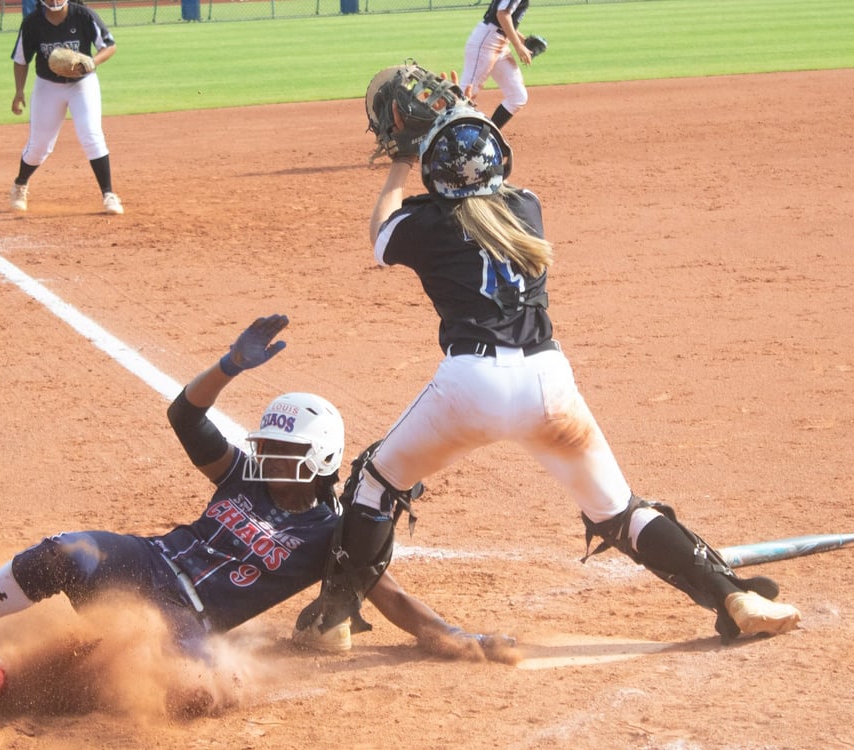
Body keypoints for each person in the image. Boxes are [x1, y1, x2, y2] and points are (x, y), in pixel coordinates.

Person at [296, 106, 804, 646]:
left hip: (471, 385)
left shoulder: (424, 224)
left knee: (376, 482)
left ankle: (333, 620)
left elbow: (381, 232)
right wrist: (464, 116)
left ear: (433, 174)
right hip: (549, 383)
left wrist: (402, 158)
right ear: (501, 163)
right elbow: (480, 182)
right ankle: (732, 595)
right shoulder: (527, 207)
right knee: (620, 511)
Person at [0, 315, 513, 706]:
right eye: (266, 445)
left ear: (321, 460)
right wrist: (229, 366)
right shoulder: (241, 475)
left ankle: (11, 678)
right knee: (63, 550)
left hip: (189, 618)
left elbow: (395, 600)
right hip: (145, 559)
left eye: (284, 452)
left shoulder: (331, 536)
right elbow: (185, 415)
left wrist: (463, 638)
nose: (266, 457)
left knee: (191, 687)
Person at [8, 0, 122, 215]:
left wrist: (93, 61)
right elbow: (21, 60)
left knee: (91, 135)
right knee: (40, 146)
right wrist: (19, 91)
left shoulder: (84, 15)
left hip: (82, 84)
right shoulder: (32, 23)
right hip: (48, 87)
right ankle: (20, 184)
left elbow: (109, 45)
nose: (54, 1)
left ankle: (109, 194)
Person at [460, 0, 532, 130]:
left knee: (517, 96)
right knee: (464, 96)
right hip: (486, 42)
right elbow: (501, 14)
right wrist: (518, 46)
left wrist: (523, 40)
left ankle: (487, 135)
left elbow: (505, 18)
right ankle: (437, 137)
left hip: (500, 43)